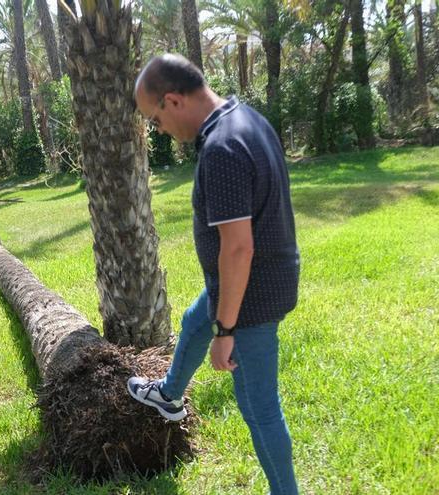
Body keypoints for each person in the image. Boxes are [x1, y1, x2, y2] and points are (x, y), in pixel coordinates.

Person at [127, 54, 301, 495]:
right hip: (254, 281)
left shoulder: (222, 148)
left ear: (172, 100)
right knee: (193, 320)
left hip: (250, 297)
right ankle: (169, 395)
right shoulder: (247, 119)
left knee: (260, 409)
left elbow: (238, 248)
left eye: (155, 118)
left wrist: (227, 329)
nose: (159, 130)